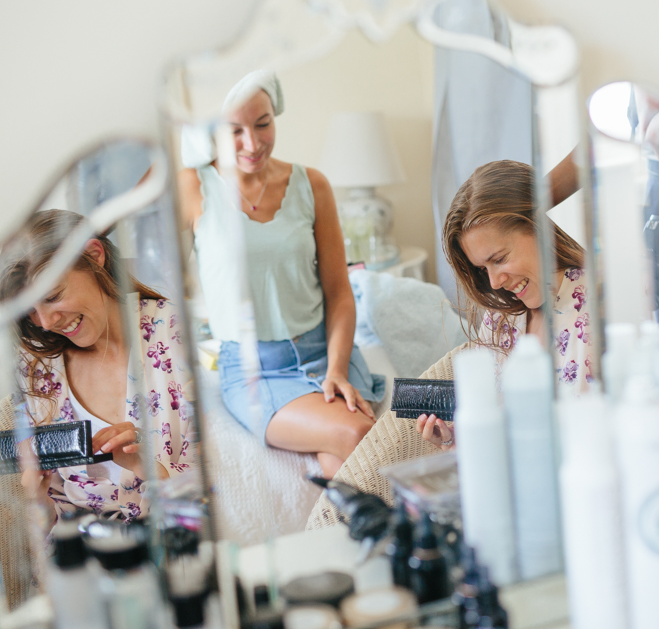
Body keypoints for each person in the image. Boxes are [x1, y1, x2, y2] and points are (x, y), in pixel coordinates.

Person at [178, 70, 384, 478]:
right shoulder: (194, 186)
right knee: (359, 431)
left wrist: (337, 370)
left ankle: (345, 536)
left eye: (262, 124)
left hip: (328, 354)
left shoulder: (312, 184)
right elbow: (158, 276)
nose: (252, 144)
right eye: (233, 131)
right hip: (256, 371)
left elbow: (339, 292)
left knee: (342, 462)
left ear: (276, 116)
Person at [0, 210, 194, 524]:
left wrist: (151, 471)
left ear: (94, 256)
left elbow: (230, 483)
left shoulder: (177, 332)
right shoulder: (39, 370)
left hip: (179, 545)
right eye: (29, 311)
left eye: (52, 296)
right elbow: (54, 522)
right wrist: (37, 496)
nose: (46, 323)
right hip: (86, 560)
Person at [416, 159, 593, 449]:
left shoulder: (596, 307)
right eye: (483, 269)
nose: (495, 282)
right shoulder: (500, 317)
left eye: (499, 259)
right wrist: (456, 439)